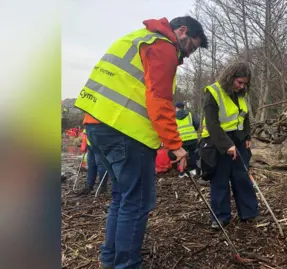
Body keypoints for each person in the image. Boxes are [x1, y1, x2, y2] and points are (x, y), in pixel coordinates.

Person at [74, 16, 207, 269]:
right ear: (181, 31)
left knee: (121, 197)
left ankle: (110, 259)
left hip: (97, 126)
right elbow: (159, 100)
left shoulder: (137, 39)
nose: (188, 54)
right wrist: (174, 145)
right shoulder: (163, 46)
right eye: (190, 47)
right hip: (126, 133)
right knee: (137, 203)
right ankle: (126, 264)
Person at [200, 61, 259, 229]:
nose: (241, 86)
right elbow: (212, 124)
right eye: (239, 82)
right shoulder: (213, 92)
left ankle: (249, 213)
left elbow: (245, 116)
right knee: (220, 180)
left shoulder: (242, 94)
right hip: (217, 142)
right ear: (230, 77)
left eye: (245, 84)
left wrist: (247, 135)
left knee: (242, 178)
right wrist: (227, 145)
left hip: (239, 140)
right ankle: (220, 218)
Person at [77, 129, 109, 195]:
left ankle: (102, 187)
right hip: (90, 141)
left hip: (99, 140)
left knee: (100, 164)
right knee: (91, 164)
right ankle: (89, 186)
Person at [175, 101, 200, 177]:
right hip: (192, 138)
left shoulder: (173, 116)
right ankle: (193, 171)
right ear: (183, 107)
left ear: (176, 108)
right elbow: (196, 123)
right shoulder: (189, 114)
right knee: (193, 154)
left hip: (181, 139)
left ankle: (182, 171)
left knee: (182, 155)